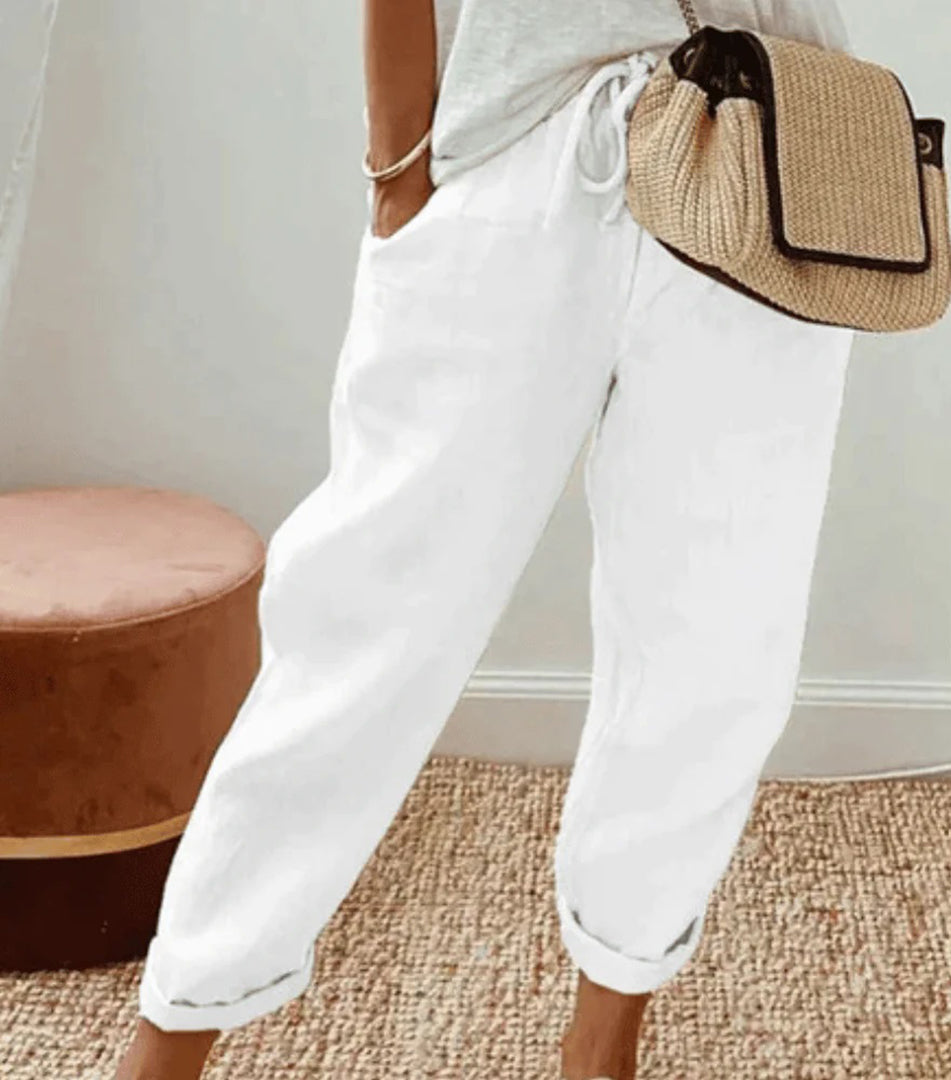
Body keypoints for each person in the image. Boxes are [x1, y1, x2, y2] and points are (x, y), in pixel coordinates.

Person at [114, 1, 854, 1077]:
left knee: (716, 649)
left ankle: (604, 1043)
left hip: (767, 150)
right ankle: (175, 1030)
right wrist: (397, 164)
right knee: (365, 618)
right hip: (517, 152)